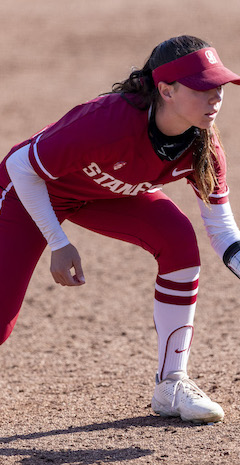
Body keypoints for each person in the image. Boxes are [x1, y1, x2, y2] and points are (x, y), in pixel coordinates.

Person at [1, 35, 240, 424]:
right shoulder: (107, 122)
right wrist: (58, 243)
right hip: (33, 190)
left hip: (105, 195)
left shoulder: (202, 145)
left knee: (177, 239)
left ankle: (171, 383)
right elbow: (22, 168)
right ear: (166, 90)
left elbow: (222, 230)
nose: (215, 97)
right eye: (202, 87)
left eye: (219, 87)